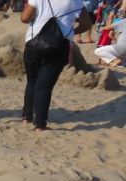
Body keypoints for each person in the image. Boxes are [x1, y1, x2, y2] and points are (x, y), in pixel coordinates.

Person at [20, 0, 84, 130]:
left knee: (32, 80)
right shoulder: (76, 1)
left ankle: (27, 117)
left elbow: (25, 18)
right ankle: (40, 124)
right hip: (60, 45)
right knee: (45, 86)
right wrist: (69, 33)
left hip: (34, 42)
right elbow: (87, 24)